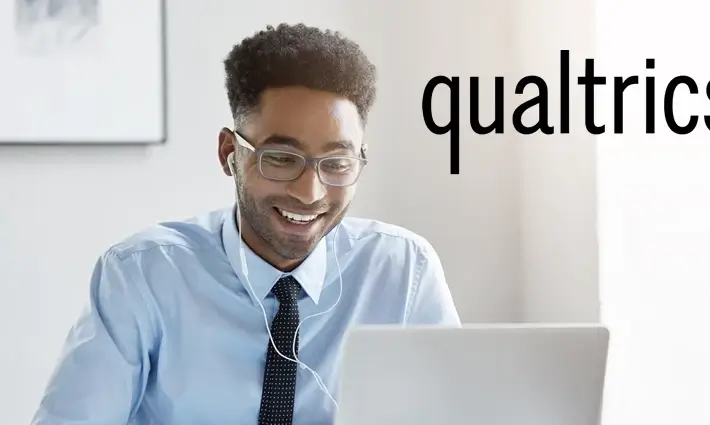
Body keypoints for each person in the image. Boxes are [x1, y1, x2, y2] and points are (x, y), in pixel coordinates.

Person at [31, 22, 460, 425]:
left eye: (337, 163)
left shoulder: (403, 270)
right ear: (229, 154)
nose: (310, 192)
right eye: (280, 159)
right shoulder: (142, 275)